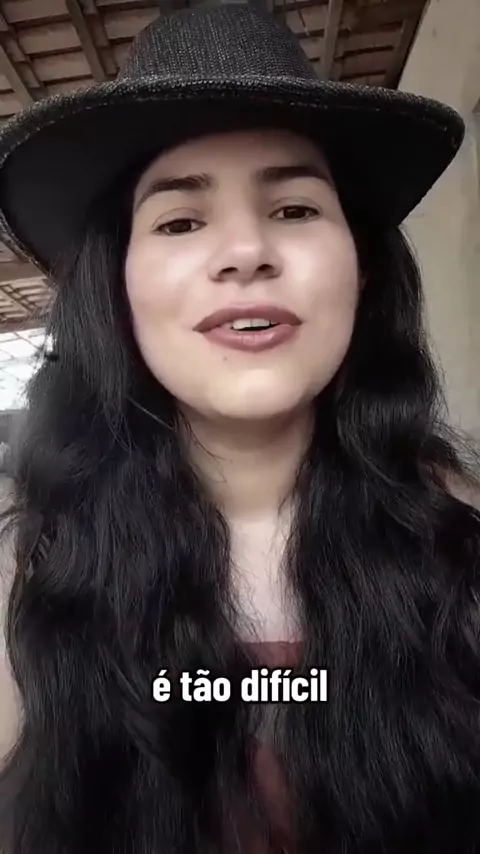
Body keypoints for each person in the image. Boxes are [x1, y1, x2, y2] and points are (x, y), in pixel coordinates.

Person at [0, 2, 480, 852]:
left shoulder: (462, 547)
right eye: (180, 221)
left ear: (364, 268)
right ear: (117, 289)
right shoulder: (26, 574)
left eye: (295, 209)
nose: (246, 250)